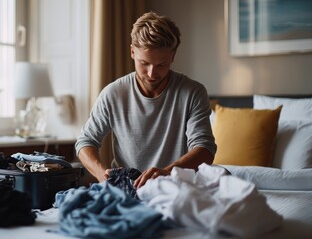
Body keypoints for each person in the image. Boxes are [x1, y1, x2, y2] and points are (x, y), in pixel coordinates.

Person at [75, 11, 216, 188]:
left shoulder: (193, 92)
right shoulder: (113, 93)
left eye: (161, 65)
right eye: (144, 63)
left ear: (173, 55)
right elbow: (85, 141)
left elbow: (205, 148)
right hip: (126, 188)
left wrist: (167, 172)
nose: (151, 73)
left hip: (174, 186)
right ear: (132, 52)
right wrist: (103, 176)